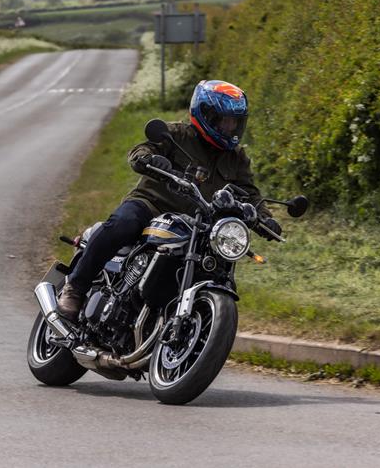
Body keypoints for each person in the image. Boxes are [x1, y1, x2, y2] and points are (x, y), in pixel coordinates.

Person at [57, 79, 283, 320]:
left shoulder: (236, 158)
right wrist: (150, 160)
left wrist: (265, 219)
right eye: (224, 119)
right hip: (152, 206)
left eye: (235, 121)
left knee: (218, 268)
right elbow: (140, 151)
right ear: (205, 114)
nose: (230, 127)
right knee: (123, 224)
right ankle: (76, 288)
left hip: (198, 223)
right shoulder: (176, 135)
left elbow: (250, 192)